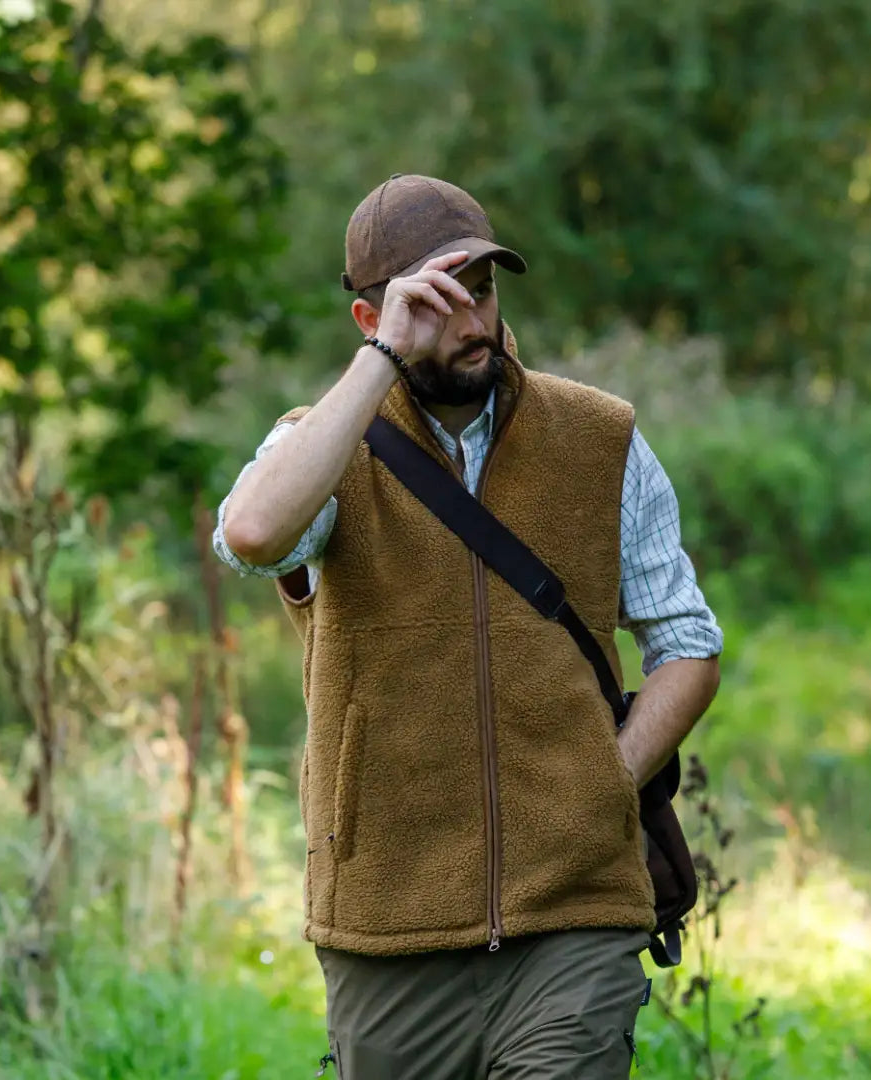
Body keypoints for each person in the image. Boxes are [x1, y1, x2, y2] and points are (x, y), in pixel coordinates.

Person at [214, 174, 723, 1080]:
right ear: (371, 318)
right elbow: (252, 534)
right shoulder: (322, 445)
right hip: (387, 923)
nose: (472, 321)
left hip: (576, 911)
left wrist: (606, 777)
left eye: (481, 290)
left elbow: (685, 639)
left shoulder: (598, 437)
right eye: (436, 301)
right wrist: (379, 370)